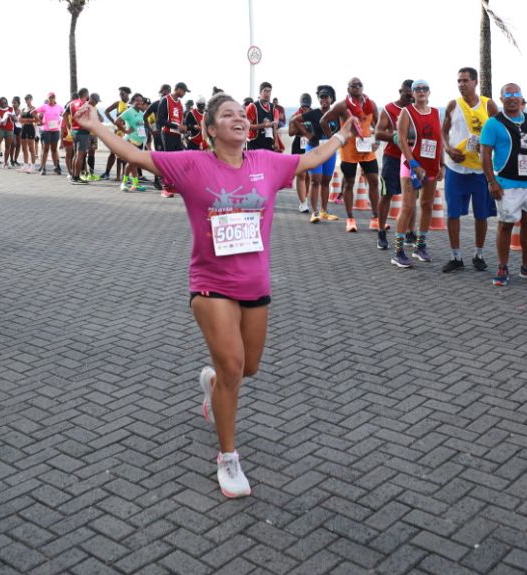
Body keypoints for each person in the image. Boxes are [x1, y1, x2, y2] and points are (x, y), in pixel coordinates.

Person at [75, 92, 342, 497]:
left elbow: (308, 159)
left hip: (256, 285)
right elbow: (135, 155)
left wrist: (344, 136)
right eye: (229, 115)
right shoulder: (191, 164)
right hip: (211, 284)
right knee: (234, 367)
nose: (239, 119)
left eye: (242, 115)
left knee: (246, 369)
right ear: (211, 129)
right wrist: (96, 126)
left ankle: (212, 382)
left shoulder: (267, 162)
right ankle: (228, 457)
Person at [479, 83, 527, 287]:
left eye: (516, 94)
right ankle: (503, 266)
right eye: (507, 94)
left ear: (521, 97)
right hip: (506, 182)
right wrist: (492, 182)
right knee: (506, 224)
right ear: (501, 100)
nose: (512, 97)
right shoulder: (493, 123)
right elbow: (485, 155)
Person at [440, 67, 497, 272]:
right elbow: (443, 131)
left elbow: (499, 131)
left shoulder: (488, 105)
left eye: (465, 80)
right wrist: (447, 149)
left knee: (481, 214)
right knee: (453, 213)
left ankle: (478, 254)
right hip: (456, 168)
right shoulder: (453, 105)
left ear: (475, 82)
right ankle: (456, 257)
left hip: (481, 169)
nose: (461, 84)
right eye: (459, 81)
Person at [393, 80, 443, 269]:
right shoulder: (407, 112)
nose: (421, 92)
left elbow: (440, 140)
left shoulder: (436, 112)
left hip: (431, 166)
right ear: (412, 94)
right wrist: (414, 164)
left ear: (429, 92)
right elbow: (402, 140)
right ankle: (398, 252)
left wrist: (442, 164)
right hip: (411, 165)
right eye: (417, 89)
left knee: (427, 205)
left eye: (424, 89)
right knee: (407, 207)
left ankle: (420, 246)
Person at [321, 78, 381, 233]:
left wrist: (378, 141)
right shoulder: (342, 105)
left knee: (374, 181)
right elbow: (323, 121)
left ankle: (376, 218)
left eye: (359, 84)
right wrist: (335, 139)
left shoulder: (371, 104)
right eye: (353, 85)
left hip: (367, 149)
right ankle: (350, 219)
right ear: (348, 88)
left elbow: (379, 125)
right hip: (348, 150)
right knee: (349, 183)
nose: (357, 87)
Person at [373, 80, 415, 250]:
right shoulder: (389, 109)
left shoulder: (418, 109)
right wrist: (396, 137)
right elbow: (378, 132)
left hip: (411, 158)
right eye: (407, 94)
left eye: (412, 95)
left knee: (412, 197)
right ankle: (381, 232)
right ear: (400, 91)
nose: (410, 97)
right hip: (392, 158)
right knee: (386, 194)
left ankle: (411, 233)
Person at [290, 87, 335, 222]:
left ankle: (324, 211)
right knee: (315, 180)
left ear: (332, 99)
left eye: (326, 97)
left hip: (329, 150)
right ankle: (314, 212)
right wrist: (308, 134)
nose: (324, 100)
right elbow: (295, 121)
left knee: (326, 182)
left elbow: (343, 127)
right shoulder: (314, 113)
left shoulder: (336, 114)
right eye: (321, 97)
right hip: (314, 149)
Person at [116, 94, 150, 192]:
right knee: (131, 162)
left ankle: (135, 184)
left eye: (141, 101)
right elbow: (117, 121)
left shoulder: (141, 112)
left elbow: (140, 127)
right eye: (138, 100)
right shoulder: (129, 111)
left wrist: (145, 141)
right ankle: (124, 183)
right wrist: (125, 131)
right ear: (133, 101)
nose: (140, 102)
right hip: (131, 140)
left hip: (140, 141)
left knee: (134, 163)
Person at [289, 92, 313, 215]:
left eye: (307, 106)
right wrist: (301, 126)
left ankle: (305, 198)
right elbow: (290, 132)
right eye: (303, 106)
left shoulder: (315, 114)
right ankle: (302, 202)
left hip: (311, 144)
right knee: (301, 175)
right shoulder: (295, 116)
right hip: (298, 144)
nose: (305, 109)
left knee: (309, 175)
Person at [246, 82, 285, 153]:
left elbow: (274, 127)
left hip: (268, 142)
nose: (267, 93)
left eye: (269, 91)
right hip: (255, 143)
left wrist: (276, 142)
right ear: (260, 92)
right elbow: (247, 126)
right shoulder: (253, 106)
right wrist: (263, 125)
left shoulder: (273, 107)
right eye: (265, 91)